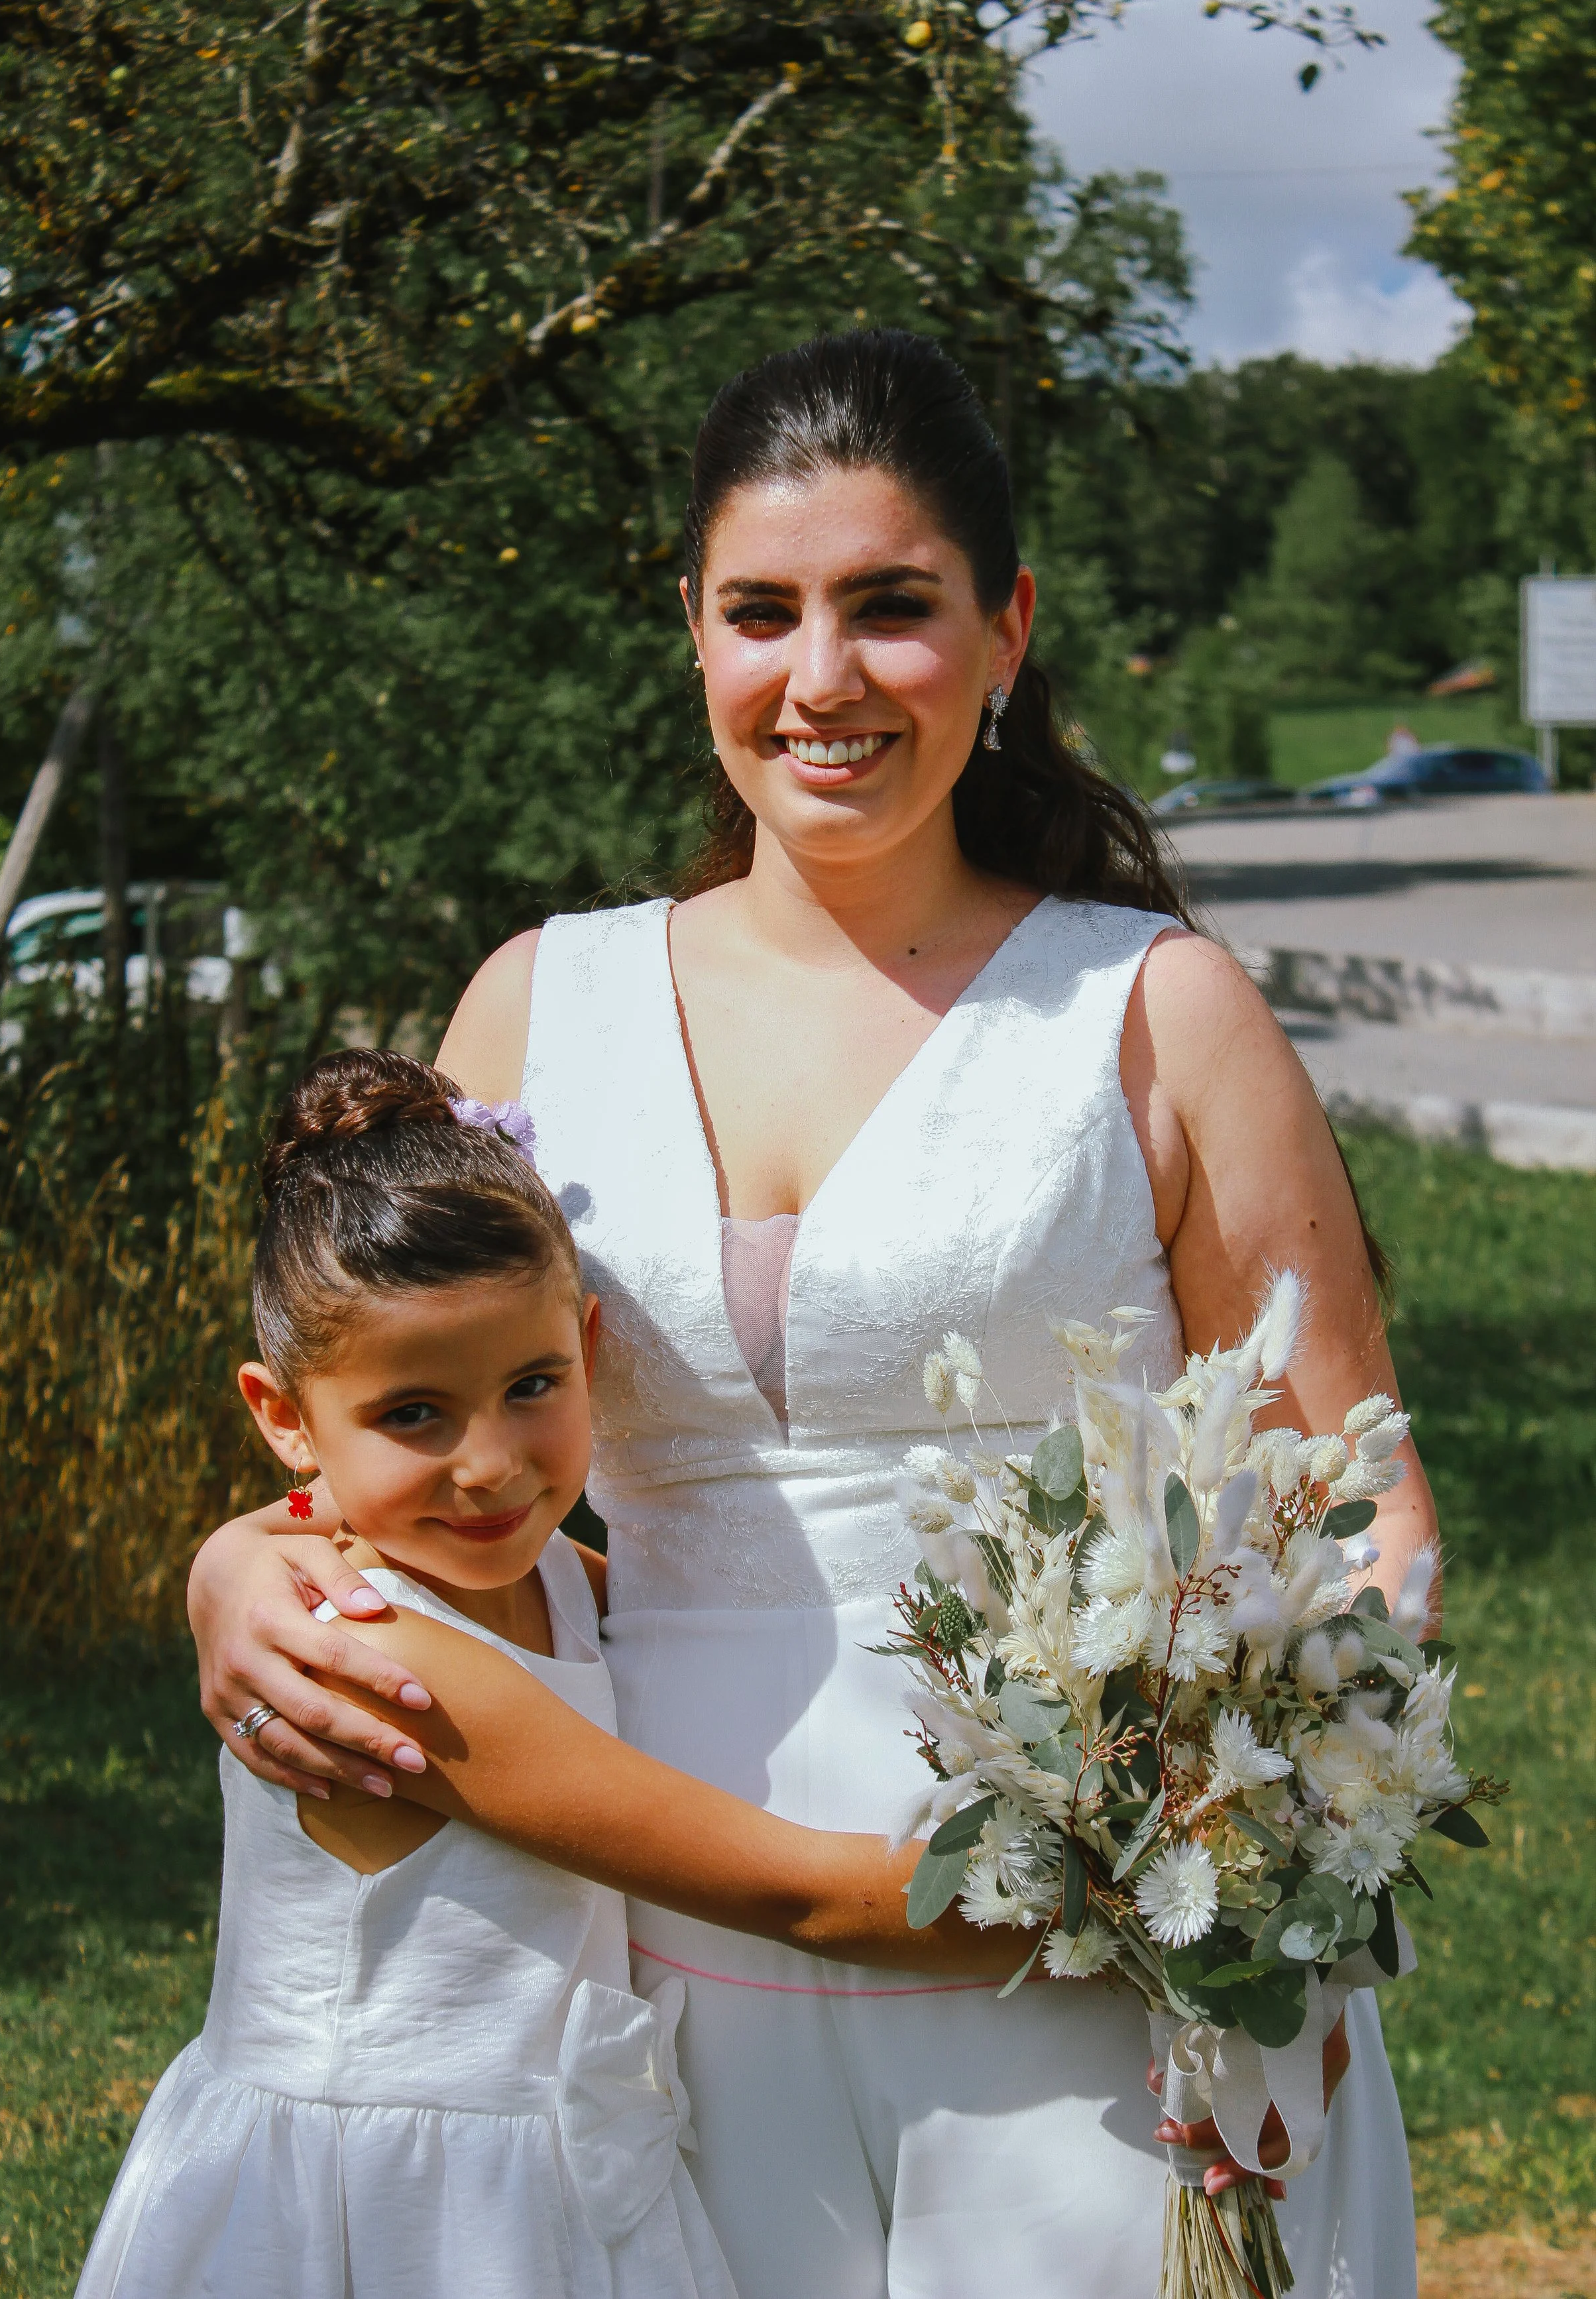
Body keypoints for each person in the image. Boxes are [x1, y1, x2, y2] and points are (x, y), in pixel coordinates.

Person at [190, 330, 1437, 2297]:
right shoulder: (537, 1004)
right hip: (646, 1947)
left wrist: (1240, 1855)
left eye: (891, 607)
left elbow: (1352, 1501)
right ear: (691, 628)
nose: (821, 676)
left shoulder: (1152, 1008)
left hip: (1089, 1955)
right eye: (761, 610)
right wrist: (230, 1570)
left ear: (1006, 628)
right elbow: (391, 1409)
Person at [81, 1049, 1034, 2299]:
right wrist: (1094, 1885)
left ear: (588, 1343)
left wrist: (234, 1546)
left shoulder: (564, 1587)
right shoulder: (378, 1653)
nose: (491, 1464)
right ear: (282, 1413)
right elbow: (800, 1895)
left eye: (533, 1387)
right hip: (400, 2214)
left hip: (552, 2177)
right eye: (413, 1413)